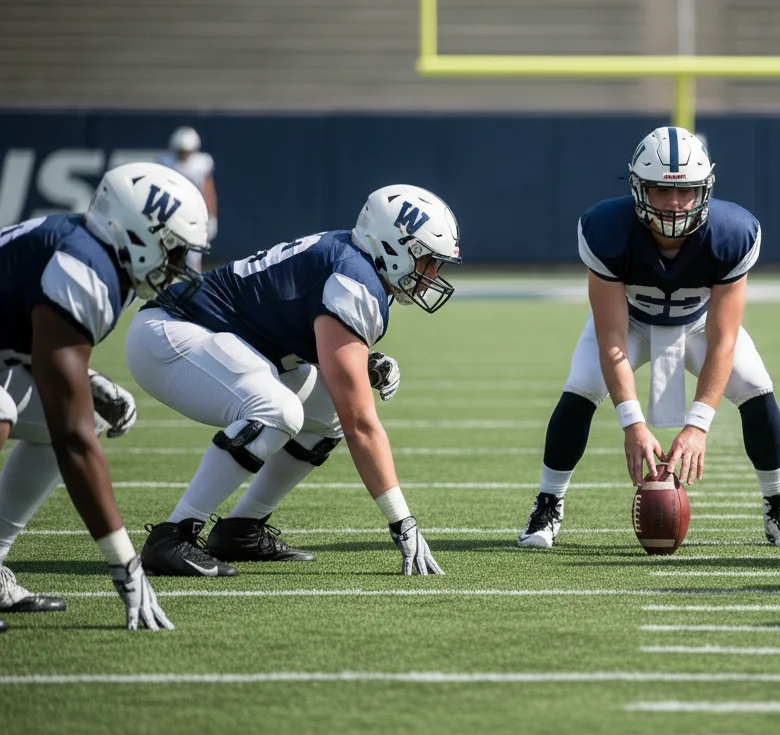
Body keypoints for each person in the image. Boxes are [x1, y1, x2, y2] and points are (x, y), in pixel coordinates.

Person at [127, 185, 459, 577]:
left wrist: (362, 361)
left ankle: (240, 528)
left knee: (328, 414)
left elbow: (310, 341)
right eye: (427, 260)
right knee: (277, 410)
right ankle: (173, 536)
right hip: (171, 333)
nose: (431, 275)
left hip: (216, 339)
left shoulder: (352, 259)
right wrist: (402, 523)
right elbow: (363, 425)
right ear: (393, 246)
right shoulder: (353, 279)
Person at [518, 126, 780, 550]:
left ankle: (778, 505)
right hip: (630, 325)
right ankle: (548, 502)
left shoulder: (732, 233)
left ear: (704, 190)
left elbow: (723, 339)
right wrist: (632, 423)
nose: (674, 204)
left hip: (698, 325)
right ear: (638, 189)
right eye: (660, 191)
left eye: (686, 191)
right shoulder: (606, 229)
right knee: (579, 391)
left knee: (758, 391)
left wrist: (698, 426)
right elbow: (611, 338)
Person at [0, 162, 207, 629]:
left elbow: (23, 335)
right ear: (134, 233)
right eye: (173, 252)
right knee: (16, 412)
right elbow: (71, 439)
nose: (178, 267)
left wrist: (84, 377)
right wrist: (124, 565)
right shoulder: (81, 265)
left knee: (86, 415)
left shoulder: (101, 258)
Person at [156, 126, 218, 271]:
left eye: (187, 151)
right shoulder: (165, 162)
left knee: (194, 254)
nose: (184, 155)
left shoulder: (202, 163)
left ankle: (193, 285)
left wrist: (212, 215)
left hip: (194, 211)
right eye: (181, 151)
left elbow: (208, 190)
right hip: (171, 211)